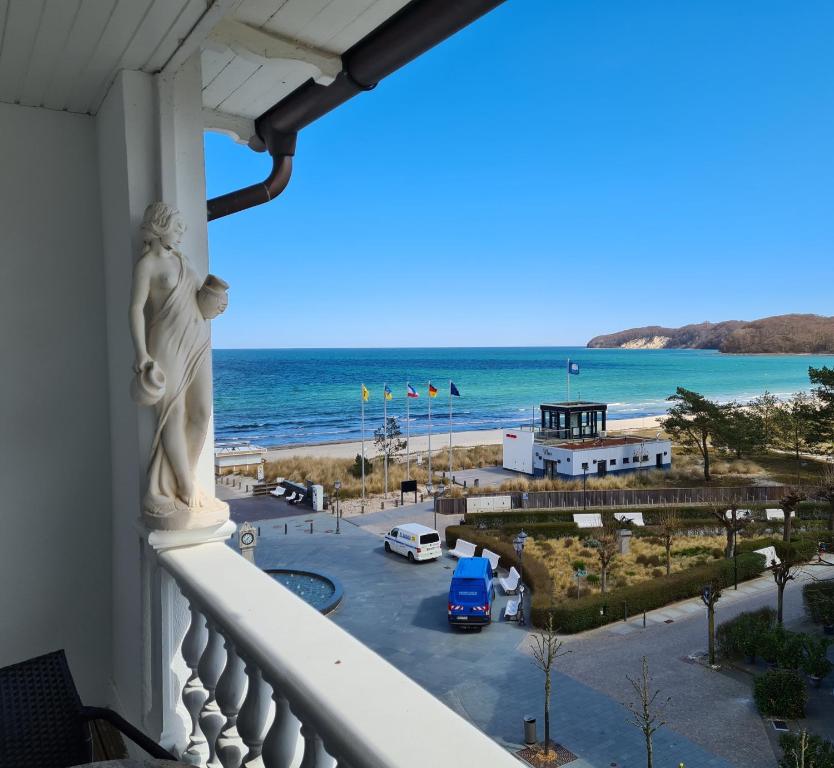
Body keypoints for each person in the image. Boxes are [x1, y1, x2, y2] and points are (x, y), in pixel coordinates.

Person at [129, 202, 227, 522]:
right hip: (167, 344)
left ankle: (183, 480)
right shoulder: (147, 265)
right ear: (160, 225)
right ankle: (185, 487)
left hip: (196, 342)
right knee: (175, 413)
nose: (183, 231)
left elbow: (199, 301)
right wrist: (141, 353)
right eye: (177, 225)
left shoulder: (182, 260)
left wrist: (217, 302)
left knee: (201, 412)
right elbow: (135, 309)